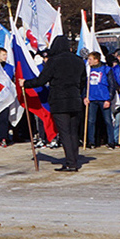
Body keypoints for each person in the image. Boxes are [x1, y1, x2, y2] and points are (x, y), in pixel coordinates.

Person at [27, 35, 89, 171]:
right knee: (73, 132)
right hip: (75, 99)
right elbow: (84, 80)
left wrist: (25, 83)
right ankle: (73, 160)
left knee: (65, 133)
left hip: (59, 101)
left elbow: (41, 80)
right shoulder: (78, 61)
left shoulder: (54, 61)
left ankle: (71, 162)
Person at [86, 52, 113, 148]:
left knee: (107, 121)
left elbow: (111, 85)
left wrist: (109, 99)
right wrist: (85, 96)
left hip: (103, 98)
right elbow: (85, 85)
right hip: (92, 99)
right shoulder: (88, 70)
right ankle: (91, 142)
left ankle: (111, 141)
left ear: (96, 60)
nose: (88, 61)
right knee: (91, 121)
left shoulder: (106, 69)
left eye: (90, 59)